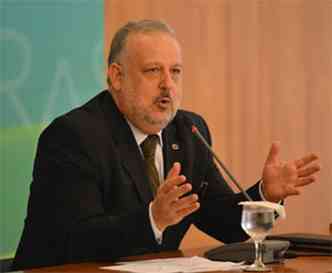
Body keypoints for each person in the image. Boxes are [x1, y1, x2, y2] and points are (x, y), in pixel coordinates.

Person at [12, 19, 320, 270]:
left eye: (175, 72)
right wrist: (152, 219)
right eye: (152, 71)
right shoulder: (74, 136)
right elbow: (75, 242)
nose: (167, 85)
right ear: (116, 77)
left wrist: (266, 194)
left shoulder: (188, 131)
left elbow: (225, 224)